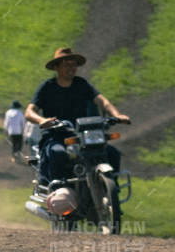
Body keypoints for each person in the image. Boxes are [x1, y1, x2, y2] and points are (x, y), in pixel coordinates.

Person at [25, 47, 130, 186]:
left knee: (112, 153)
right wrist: (42, 120)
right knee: (58, 153)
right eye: (66, 65)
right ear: (56, 67)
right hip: (55, 136)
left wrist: (117, 115)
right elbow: (29, 111)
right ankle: (58, 189)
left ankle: (111, 191)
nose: (71, 68)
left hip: (82, 136)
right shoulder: (47, 87)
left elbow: (102, 101)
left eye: (74, 65)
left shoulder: (81, 84)